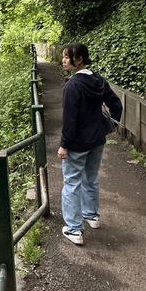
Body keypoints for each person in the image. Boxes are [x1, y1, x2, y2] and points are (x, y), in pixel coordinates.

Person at [57, 43, 122, 246]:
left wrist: (64, 145)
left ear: (79, 59)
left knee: (72, 183)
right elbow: (116, 104)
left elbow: (70, 119)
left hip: (77, 143)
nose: (64, 60)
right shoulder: (98, 80)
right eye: (64, 57)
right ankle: (92, 216)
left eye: (67, 57)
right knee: (91, 177)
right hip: (97, 140)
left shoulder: (72, 86)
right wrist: (111, 125)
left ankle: (74, 229)